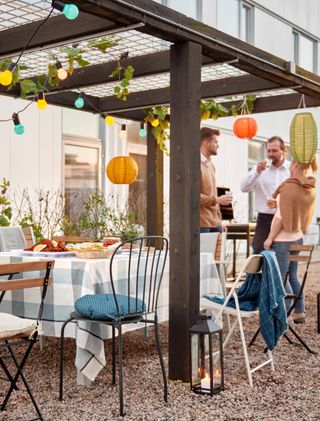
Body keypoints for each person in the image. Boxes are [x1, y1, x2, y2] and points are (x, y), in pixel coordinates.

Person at [263, 158, 317, 323]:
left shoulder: (288, 187)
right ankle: (299, 312)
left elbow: (280, 219)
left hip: (283, 240)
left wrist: (269, 238)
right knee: (292, 275)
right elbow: (294, 210)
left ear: (294, 166)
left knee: (280, 278)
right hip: (298, 237)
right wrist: (278, 205)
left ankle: (284, 313)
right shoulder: (307, 187)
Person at [240, 136, 290, 253]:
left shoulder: (291, 169)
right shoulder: (260, 168)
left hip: (286, 218)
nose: (271, 154)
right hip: (265, 219)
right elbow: (243, 188)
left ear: (284, 151)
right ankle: (258, 272)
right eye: (268, 151)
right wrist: (257, 172)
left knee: (283, 254)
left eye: (275, 151)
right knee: (259, 253)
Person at [200, 127, 233, 233]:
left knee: (218, 250)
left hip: (215, 223)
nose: (218, 145)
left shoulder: (211, 165)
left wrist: (220, 221)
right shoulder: (193, 165)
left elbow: (213, 193)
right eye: (215, 142)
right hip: (201, 224)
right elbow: (193, 197)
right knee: (203, 251)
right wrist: (218, 200)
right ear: (206, 143)